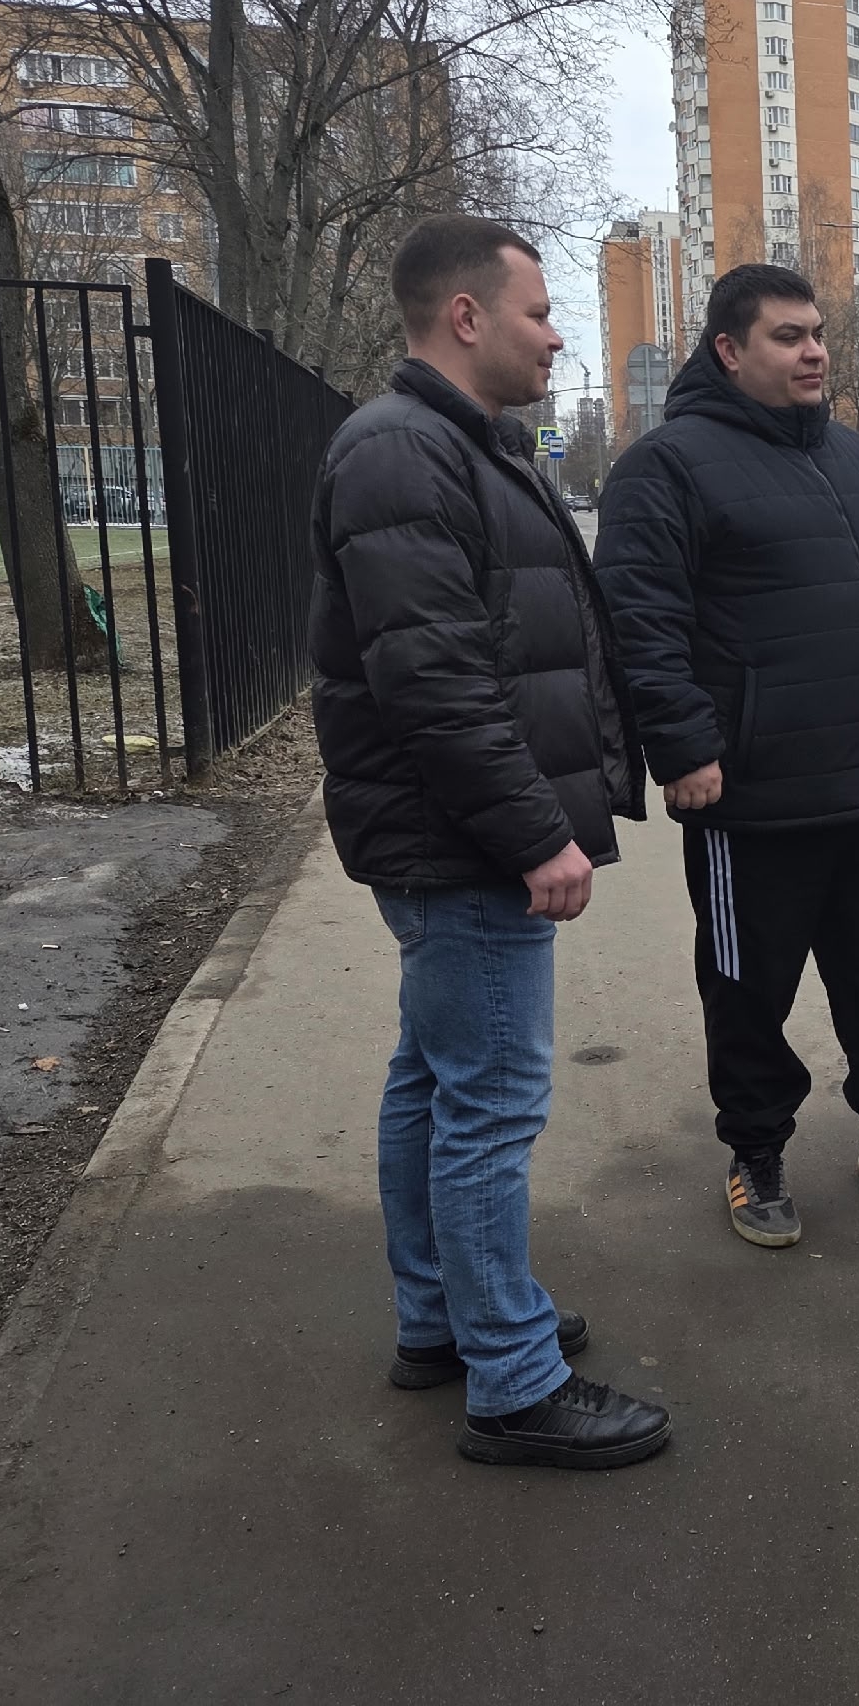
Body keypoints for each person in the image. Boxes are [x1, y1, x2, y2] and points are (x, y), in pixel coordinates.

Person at [309, 215, 668, 1469]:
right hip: (462, 844)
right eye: (540, 312)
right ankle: (511, 1381)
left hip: (448, 835)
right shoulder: (402, 452)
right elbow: (435, 683)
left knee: (434, 1081)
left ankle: (443, 1321)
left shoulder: (454, 444)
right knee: (490, 1107)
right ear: (467, 317)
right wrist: (534, 836)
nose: (556, 335)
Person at [593, 262, 859, 1251]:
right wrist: (682, 746)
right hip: (750, 797)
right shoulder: (667, 467)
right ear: (729, 350)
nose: (814, 352)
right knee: (748, 991)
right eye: (788, 336)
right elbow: (640, 624)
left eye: (817, 334)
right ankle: (757, 1151)